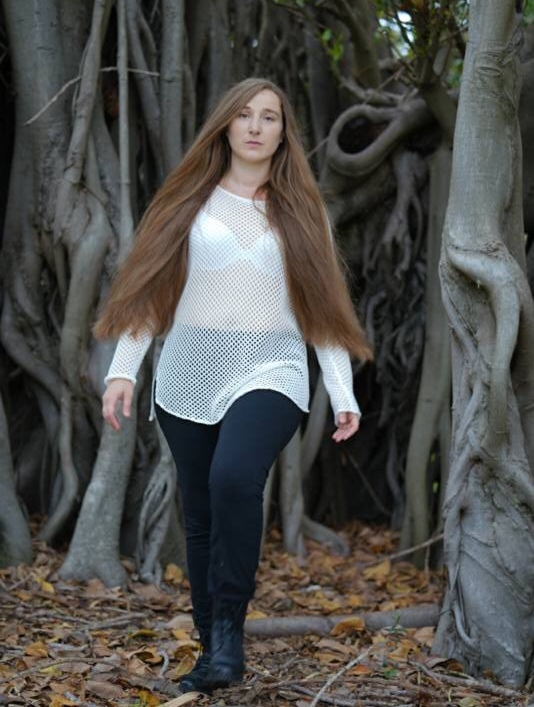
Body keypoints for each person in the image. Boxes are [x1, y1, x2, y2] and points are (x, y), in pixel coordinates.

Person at [94, 77, 372, 694]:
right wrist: (122, 369)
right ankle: (212, 645)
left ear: (283, 132)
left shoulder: (303, 212)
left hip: (272, 367)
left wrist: (343, 392)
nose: (255, 126)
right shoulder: (187, 201)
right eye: (244, 114)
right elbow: (152, 293)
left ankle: (229, 638)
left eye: (269, 117)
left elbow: (323, 312)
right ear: (225, 124)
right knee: (200, 515)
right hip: (190, 369)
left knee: (234, 478)